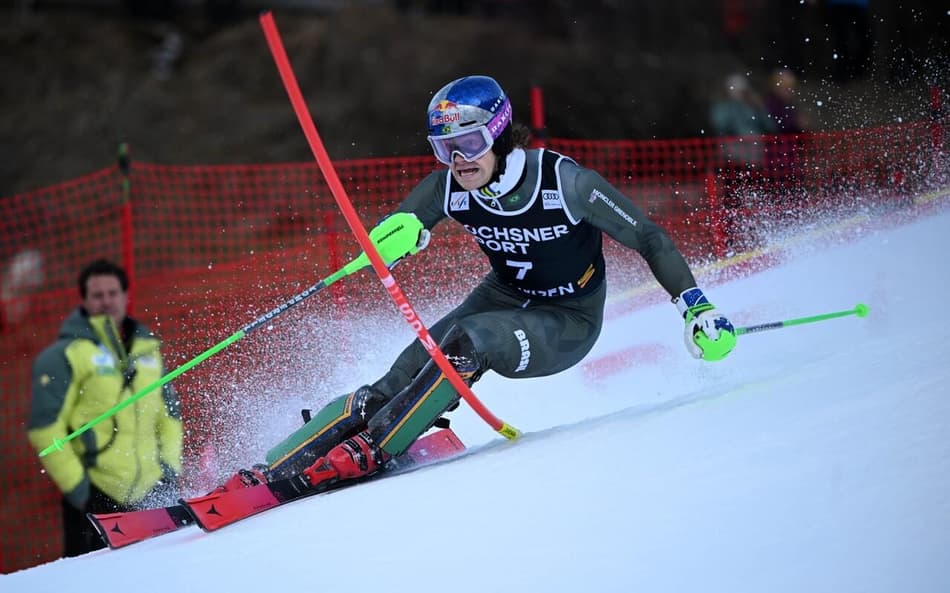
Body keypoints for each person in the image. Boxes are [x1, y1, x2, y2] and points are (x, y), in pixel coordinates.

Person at [217, 75, 737, 494]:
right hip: (505, 292)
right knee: (404, 371)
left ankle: (374, 449)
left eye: (469, 143)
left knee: (471, 342)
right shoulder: (450, 186)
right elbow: (401, 226)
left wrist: (696, 306)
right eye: (445, 148)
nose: (459, 159)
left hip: (569, 319)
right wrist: (394, 239)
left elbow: (648, 237)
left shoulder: (565, 183)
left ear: (499, 135)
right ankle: (278, 464)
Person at [27, 259, 183, 556]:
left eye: (113, 293)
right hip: (96, 496)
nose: (106, 301)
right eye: (97, 295)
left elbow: (170, 416)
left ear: (125, 296)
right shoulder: (65, 355)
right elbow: (45, 429)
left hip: (151, 492)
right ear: (84, 301)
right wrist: (79, 489)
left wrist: (168, 471)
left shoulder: (148, 350)